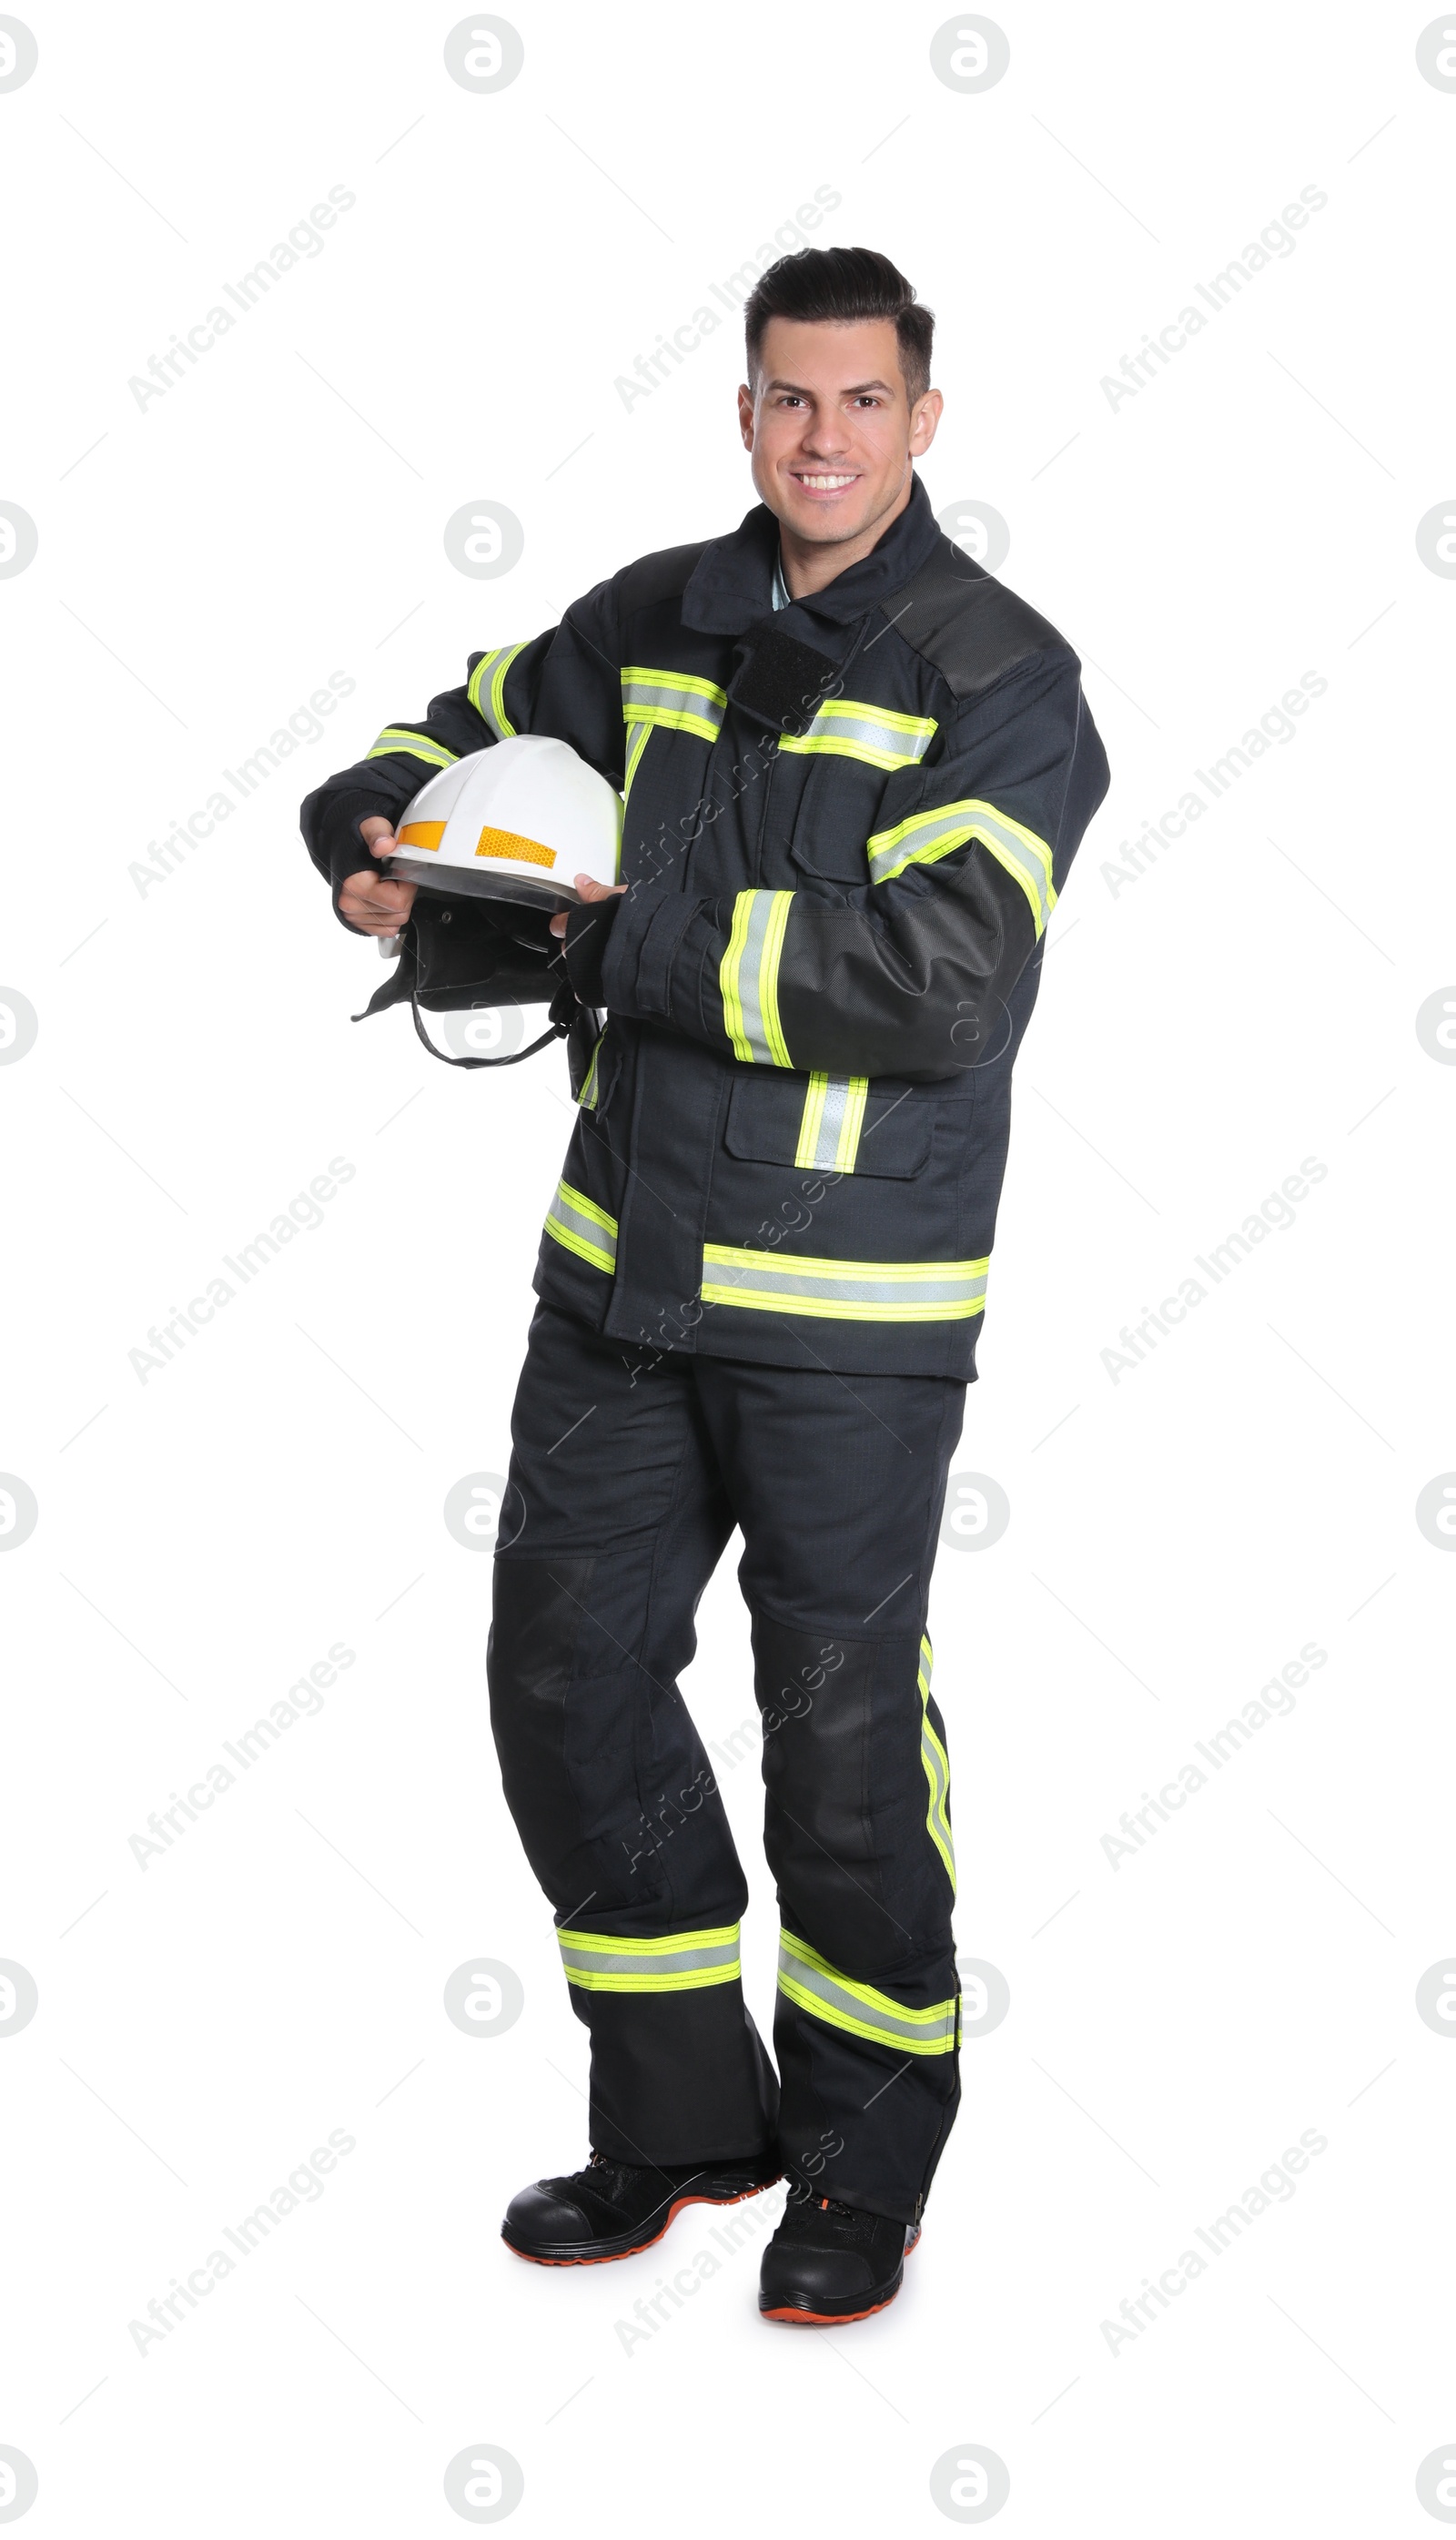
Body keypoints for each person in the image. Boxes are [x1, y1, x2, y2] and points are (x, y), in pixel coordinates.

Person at [301, 245, 1109, 2326]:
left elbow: (934, 988)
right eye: (782, 398)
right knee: (561, 1685)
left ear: (923, 419)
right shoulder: (654, 614)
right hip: (613, 1288)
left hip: (848, 1318)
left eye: (858, 401)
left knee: (837, 1747)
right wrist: (380, 828)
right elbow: (456, 727)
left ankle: (859, 2164)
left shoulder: (997, 677)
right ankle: (679, 2116)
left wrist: (610, 935)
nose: (818, 435)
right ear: (740, 411)